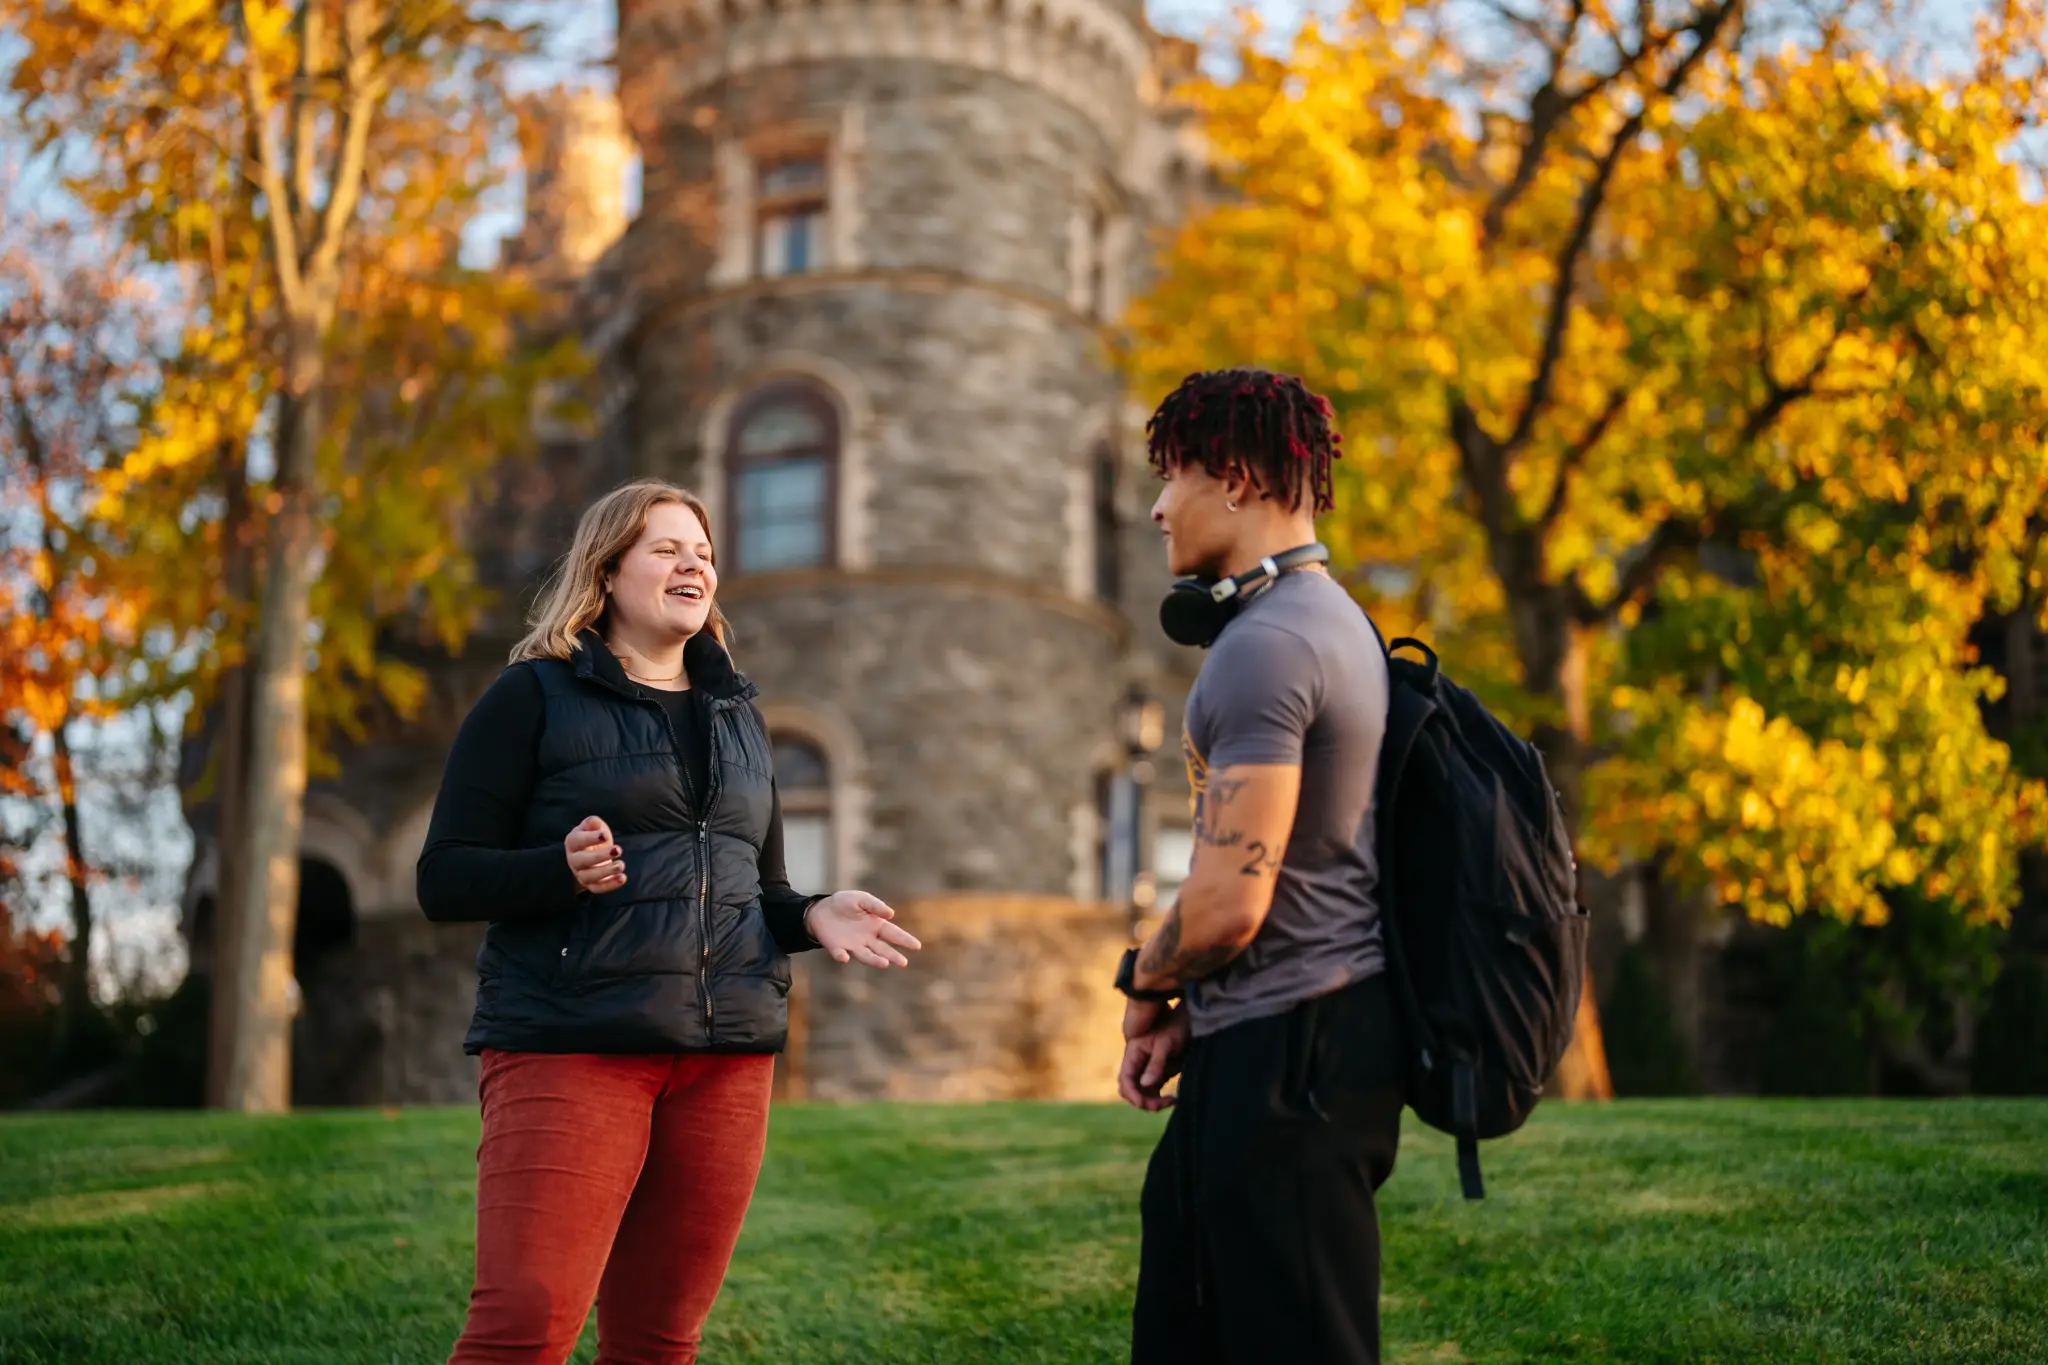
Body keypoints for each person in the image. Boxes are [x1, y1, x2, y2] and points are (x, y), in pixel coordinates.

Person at [417, 478, 920, 1365]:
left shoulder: (740, 719)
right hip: (573, 1045)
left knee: (660, 1338)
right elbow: (443, 877)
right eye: (668, 549)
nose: (696, 564)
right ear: (608, 572)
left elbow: (751, 891)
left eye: (706, 553)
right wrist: (556, 871)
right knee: (525, 1327)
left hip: (726, 1063)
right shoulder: (531, 697)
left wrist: (813, 913)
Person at [1114, 370, 1402, 1364]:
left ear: (1232, 478)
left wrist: (1143, 979)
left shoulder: (1268, 645)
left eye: (1174, 476)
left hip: (1293, 1063)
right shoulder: (1327, 622)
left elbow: (1228, 905)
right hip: (1273, 1042)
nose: (1155, 505)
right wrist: (1193, 1011)